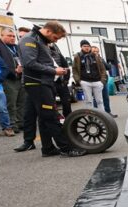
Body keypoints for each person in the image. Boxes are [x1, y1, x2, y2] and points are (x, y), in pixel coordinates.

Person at [15, 21, 85, 157]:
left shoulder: (40, 40)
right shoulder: (29, 39)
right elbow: (29, 63)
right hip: (37, 83)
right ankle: (66, 148)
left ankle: (47, 148)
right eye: (56, 37)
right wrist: (54, 71)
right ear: (48, 31)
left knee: (43, 117)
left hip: (41, 82)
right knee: (51, 116)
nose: (56, 40)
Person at [0, 28, 25, 133]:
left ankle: (21, 123)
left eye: (13, 36)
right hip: (8, 79)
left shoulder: (16, 47)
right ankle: (11, 125)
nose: (12, 38)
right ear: (2, 35)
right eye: (9, 35)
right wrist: (13, 70)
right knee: (11, 103)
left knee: (21, 102)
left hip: (20, 78)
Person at [72, 40, 106, 112]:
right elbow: (74, 69)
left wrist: (102, 81)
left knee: (100, 101)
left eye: (88, 46)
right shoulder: (78, 56)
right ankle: (91, 117)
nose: (86, 48)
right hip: (85, 82)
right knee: (88, 101)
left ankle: (102, 117)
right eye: (84, 46)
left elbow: (103, 69)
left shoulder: (95, 56)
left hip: (97, 81)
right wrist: (78, 80)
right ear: (81, 47)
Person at [91, 46, 116, 117]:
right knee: (96, 99)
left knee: (106, 97)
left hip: (103, 81)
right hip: (95, 81)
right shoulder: (89, 59)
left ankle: (108, 112)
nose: (96, 53)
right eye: (94, 51)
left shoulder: (101, 59)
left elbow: (108, 67)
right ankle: (96, 114)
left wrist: (104, 62)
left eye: (97, 51)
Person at [48, 43, 72, 118]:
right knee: (51, 104)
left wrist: (66, 80)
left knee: (67, 103)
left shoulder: (57, 54)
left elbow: (67, 67)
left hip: (61, 83)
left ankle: (68, 119)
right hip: (49, 83)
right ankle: (56, 119)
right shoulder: (40, 55)